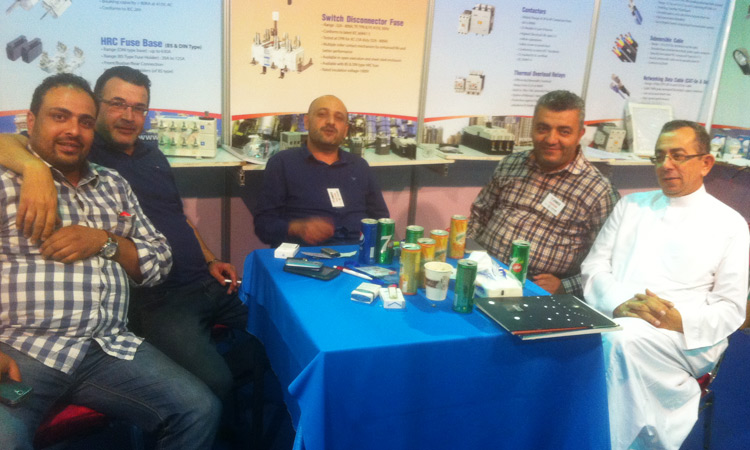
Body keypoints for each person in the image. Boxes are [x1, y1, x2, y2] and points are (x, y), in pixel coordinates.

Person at [0, 66, 253, 401]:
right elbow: (13, 141)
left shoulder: (153, 155)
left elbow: (177, 217)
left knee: (276, 334)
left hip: (204, 281)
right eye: (118, 104)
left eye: (138, 108)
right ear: (98, 107)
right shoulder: (81, 150)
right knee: (215, 382)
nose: (128, 116)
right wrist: (33, 168)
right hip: (160, 299)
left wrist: (210, 259)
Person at [581, 120, 749, 450]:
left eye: (678, 155)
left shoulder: (730, 224)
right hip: (619, 314)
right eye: (659, 156)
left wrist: (677, 320)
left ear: (706, 163)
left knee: (620, 341)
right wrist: (621, 304)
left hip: (688, 335)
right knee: (605, 338)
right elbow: (594, 267)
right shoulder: (631, 205)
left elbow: (731, 308)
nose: (666, 164)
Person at [468, 90, 619, 296]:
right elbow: (480, 214)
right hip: (483, 274)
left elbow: (609, 263)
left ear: (579, 135)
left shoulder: (598, 192)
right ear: (532, 128)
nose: (550, 139)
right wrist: (468, 252)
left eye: (564, 132)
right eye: (543, 128)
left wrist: (565, 287)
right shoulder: (511, 164)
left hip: (533, 291)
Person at [253, 94, 389, 247]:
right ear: (306, 122)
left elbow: (382, 220)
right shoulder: (282, 163)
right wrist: (297, 228)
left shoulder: (360, 166)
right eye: (322, 114)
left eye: (338, 118)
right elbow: (263, 225)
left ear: (345, 130)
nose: (331, 122)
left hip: (358, 254)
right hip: (304, 256)